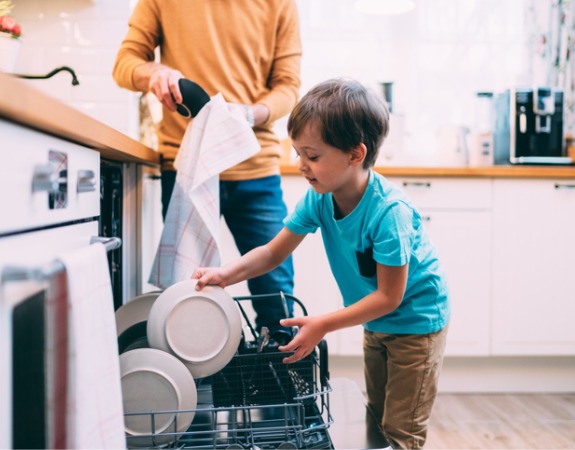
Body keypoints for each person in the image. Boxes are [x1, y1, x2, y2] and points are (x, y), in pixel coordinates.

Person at [193, 78, 451, 449]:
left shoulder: (389, 214)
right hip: (377, 322)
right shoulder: (320, 199)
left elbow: (389, 297)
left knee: (401, 431)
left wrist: (323, 325)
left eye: (312, 156)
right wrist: (225, 274)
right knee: (376, 422)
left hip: (416, 324)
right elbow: (272, 253)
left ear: (355, 154)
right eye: (298, 153)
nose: (301, 165)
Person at [112, 0, 302, 334]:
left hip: (255, 170)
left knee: (278, 302)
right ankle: (194, 386)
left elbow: (288, 86)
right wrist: (154, 72)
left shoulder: (279, 4)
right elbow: (124, 64)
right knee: (186, 297)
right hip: (188, 168)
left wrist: (250, 114)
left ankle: (278, 384)